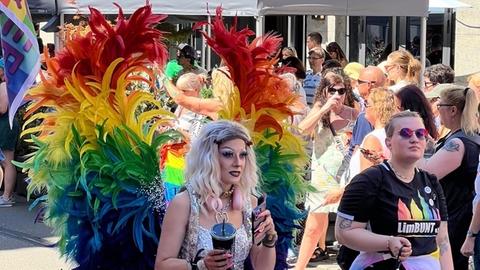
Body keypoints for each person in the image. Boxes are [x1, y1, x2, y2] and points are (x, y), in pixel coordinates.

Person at [336, 111, 453, 269]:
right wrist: (388, 242)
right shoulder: (370, 180)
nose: (414, 139)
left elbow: (443, 239)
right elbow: (344, 233)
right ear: (389, 142)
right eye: (405, 133)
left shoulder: (430, 182)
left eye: (420, 133)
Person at [155, 120, 277, 270]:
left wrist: (269, 240)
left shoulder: (249, 203)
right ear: (208, 157)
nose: (238, 163)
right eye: (228, 154)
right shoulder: (184, 203)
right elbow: (162, 265)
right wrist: (200, 266)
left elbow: (263, 268)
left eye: (243, 155)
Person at [295, 73, 358, 269]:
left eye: (341, 91)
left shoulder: (355, 112)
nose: (337, 95)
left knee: (350, 222)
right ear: (324, 91)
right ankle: (299, 266)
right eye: (333, 90)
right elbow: (302, 130)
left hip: (347, 173)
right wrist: (324, 108)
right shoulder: (318, 110)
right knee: (314, 225)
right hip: (322, 173)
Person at [419, 85, 480, 270]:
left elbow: (429, 173)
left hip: (455, 215)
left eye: (439, 106)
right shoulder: (467, 136)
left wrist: (412, 152)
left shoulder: (459, 142)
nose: (437, 111)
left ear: (453, 110)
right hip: (460, 213)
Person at [0, 59, 20, 207]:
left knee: (7, 161)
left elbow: (2, 108)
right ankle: (7, 195)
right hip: (10, 123)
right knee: (7, 161)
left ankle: (7, 197)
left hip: (6, 124)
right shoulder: (13, 85)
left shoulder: (4, 85)